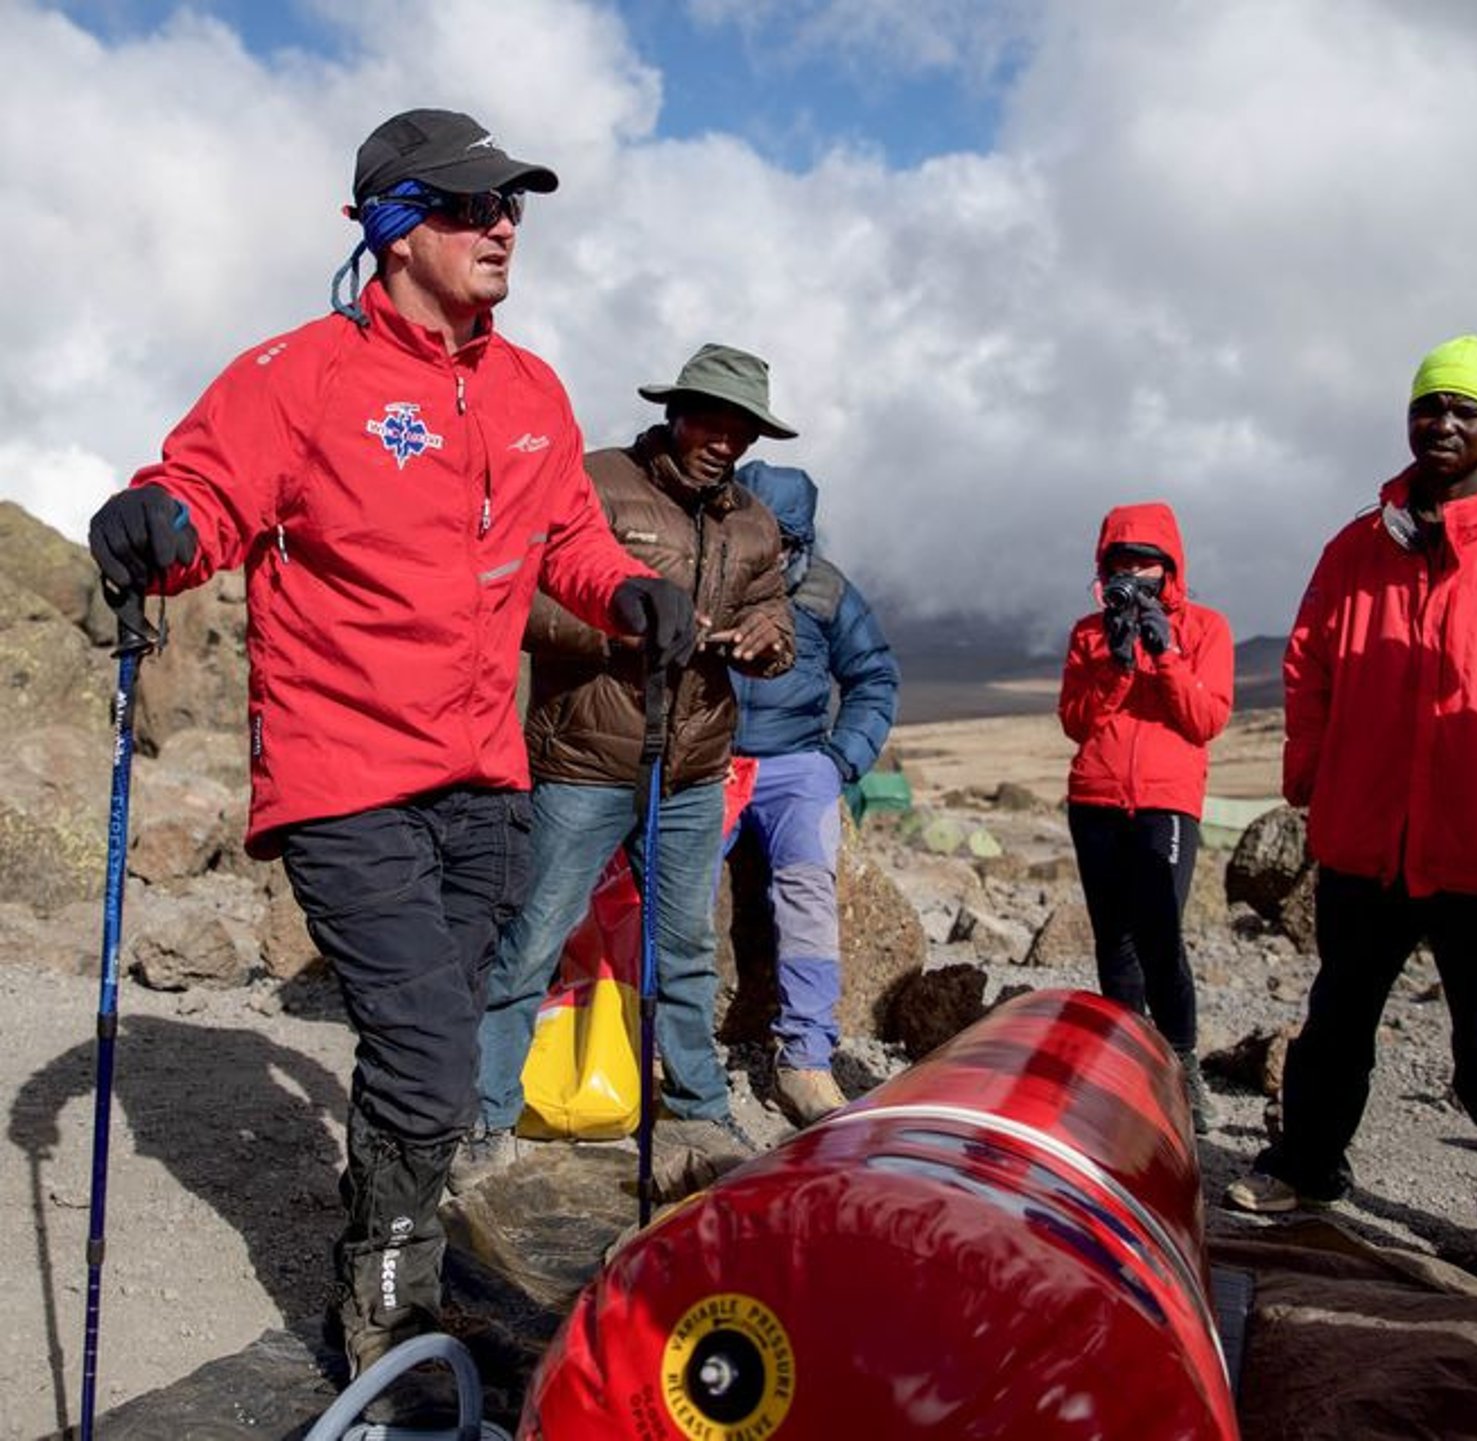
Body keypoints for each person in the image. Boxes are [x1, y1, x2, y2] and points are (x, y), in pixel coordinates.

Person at [83, 109, 695, 1376]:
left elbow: (569, 539)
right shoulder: (297, 375)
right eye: (474, 207)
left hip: (485, 777)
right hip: (344, 774)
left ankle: (391, 1232)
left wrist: (627, 594)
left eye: (512, 205)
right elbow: (207, 495)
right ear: (396, 226)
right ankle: (386, 1298)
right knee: (424, 1044)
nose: (504, 226)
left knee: (444, 1033)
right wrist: (158, 523)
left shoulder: (530, 388)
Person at [1223, 336, 1477, 1283]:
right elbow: (1309, 667)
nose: (1443, 423)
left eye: (1465, 409)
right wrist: (1314, 781)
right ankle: (1306, 1169)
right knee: (1337, 1018)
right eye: (1429, 406)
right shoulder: (1358, 547)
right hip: (1365, 836)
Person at [464, 343, 796, 1181]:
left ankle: (699, 1110)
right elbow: (519, 601)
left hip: (692, 769)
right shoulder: (597, 484)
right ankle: (485, 1115)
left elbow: (777, 622)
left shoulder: (755, 523)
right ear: (675, 412)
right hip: (583, 760)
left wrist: (768, 641)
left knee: (685, 946)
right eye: (711, 422)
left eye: (742, 431)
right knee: (532, 936)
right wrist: (623, 627)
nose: (724, 442)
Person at [725, 460, 901, 1125]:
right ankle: (657, 1048)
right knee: (671, 889)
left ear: (801, 539)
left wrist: (838, 761)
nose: (770, 556)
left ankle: (805, 1058)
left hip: (799, 763)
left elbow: (874, 676)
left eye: (784, 543)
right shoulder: (707, 572)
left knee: (808, 892)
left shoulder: (826, 590)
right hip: (709, 759)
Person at [1059, 502, 1234, 1133]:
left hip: (1167, 804)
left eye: (1146, 564)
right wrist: (1117, 663)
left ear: (1170, 568)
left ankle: (1182, 1067)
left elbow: (1206, 720)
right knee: (1115, 942)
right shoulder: (1088, 634)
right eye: (1123, 564)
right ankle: (1126, 1070)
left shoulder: (1208, 628)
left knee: (1161, 936)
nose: (1134, 575)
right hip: (1095, 800)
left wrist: (1166, 656)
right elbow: (1076, 721)